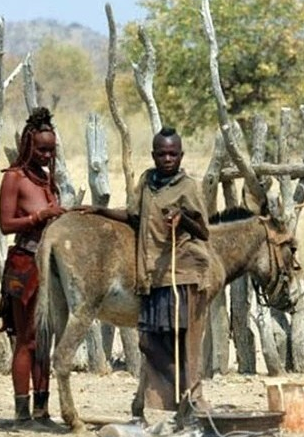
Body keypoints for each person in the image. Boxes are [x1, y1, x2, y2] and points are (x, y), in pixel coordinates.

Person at [83, 127, 211, 418]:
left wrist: (183, 219)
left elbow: (203, 231)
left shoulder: (187, 187)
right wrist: (98, 211)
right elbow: (133, 217)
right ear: (153, 155)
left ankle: (191, 400)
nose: (167, 159)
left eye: (173, 154)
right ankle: (165, 405)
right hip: (151, 274)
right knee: (150, 341)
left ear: (181, 156)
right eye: (162, 154)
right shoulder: (147, 181)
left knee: (181, 340)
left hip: (180, 274)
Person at [0, 107, 67, 423]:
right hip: (24, 264)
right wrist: (38, 218)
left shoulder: (48, 180)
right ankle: (22, 412)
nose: (46, 154)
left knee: (44, 339)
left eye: (51, 149)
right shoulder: (15, 178)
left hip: (49, 266)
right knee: (26, 339)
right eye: (41, 149)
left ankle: (42, 409)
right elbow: (5, 224)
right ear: (27, 145)